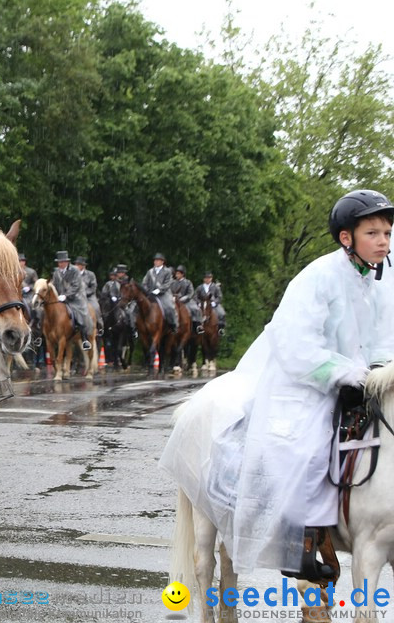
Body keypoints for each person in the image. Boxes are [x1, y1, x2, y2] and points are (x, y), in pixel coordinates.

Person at [160, 189, 394, 579]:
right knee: (305, 444)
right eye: (374, 233)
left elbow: (384, 339)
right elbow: (297, 345)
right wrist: (348, 374)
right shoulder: (318, 276)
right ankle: (296, 544)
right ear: (346, 237)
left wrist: (379, 371)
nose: (384, 241)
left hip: (358, 381)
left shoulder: (376, 283)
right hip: (302, 379)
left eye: (387, 233)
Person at [50, 250, 93, 351]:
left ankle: (84, 338)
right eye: (59, 262)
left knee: (81, 313)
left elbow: (76, 285)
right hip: (60, 297)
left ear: (67, 262)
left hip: (76, 297)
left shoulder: (75, 270)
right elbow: (54, 284)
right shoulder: (56, 272)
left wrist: (66, 295)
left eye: (62, 262)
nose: (60, 264)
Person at [142, 252, 177, 332]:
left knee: (170, 307)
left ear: (162, 262)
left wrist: (158, 290)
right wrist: (147, 290)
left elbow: (167, 283)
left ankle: (173, 324)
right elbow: (144, 282)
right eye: (155, 260)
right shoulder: (150, 271)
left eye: (158, 260)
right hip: (150, 294)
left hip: (163, 294)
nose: (156, 262)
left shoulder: (167, 271)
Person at [74, 256, 102, 337]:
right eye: (76, 264)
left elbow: (93, 287)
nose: (77, 266)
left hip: (89, 296)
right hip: (76, 297)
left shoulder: (90, 274)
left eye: (79, 264)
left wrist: (85, 293)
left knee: (96, 307)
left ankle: (99, 326)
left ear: (83, 266)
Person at [169, 265, 202, 334]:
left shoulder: (188, 282)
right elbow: (170, 292)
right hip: (175, 300)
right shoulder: (173, 283)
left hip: (186, 301)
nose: (176, 275)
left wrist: (182, 299)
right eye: (176, 273)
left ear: (182, 274)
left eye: (178, 273)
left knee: (196, 309)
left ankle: (198, 326)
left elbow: (191, 293)